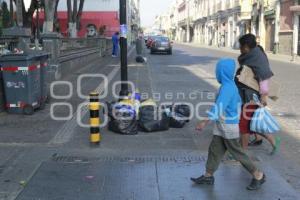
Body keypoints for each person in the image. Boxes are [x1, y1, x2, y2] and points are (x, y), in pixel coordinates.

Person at [191, 58, 266, 190]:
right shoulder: (226, 85)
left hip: (229, 126)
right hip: (222, 125)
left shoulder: (228, 88)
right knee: (214, 150)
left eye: (218, 71)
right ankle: (208, 176)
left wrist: (204, 122)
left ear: (222, 72)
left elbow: (219, 107)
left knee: (237, 153)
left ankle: (258, 175)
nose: (216, 73)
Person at [235, 33, 281, 154]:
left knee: (244, 124)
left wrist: (263, 96)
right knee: (251, 122)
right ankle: (271, 141)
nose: (239, 48)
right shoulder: (251, 54)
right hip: (246, 93)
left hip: (251, 96)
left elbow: (264, 75)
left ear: (246, 46)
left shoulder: (257, 57)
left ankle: (242, 153)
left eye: (241, 46)